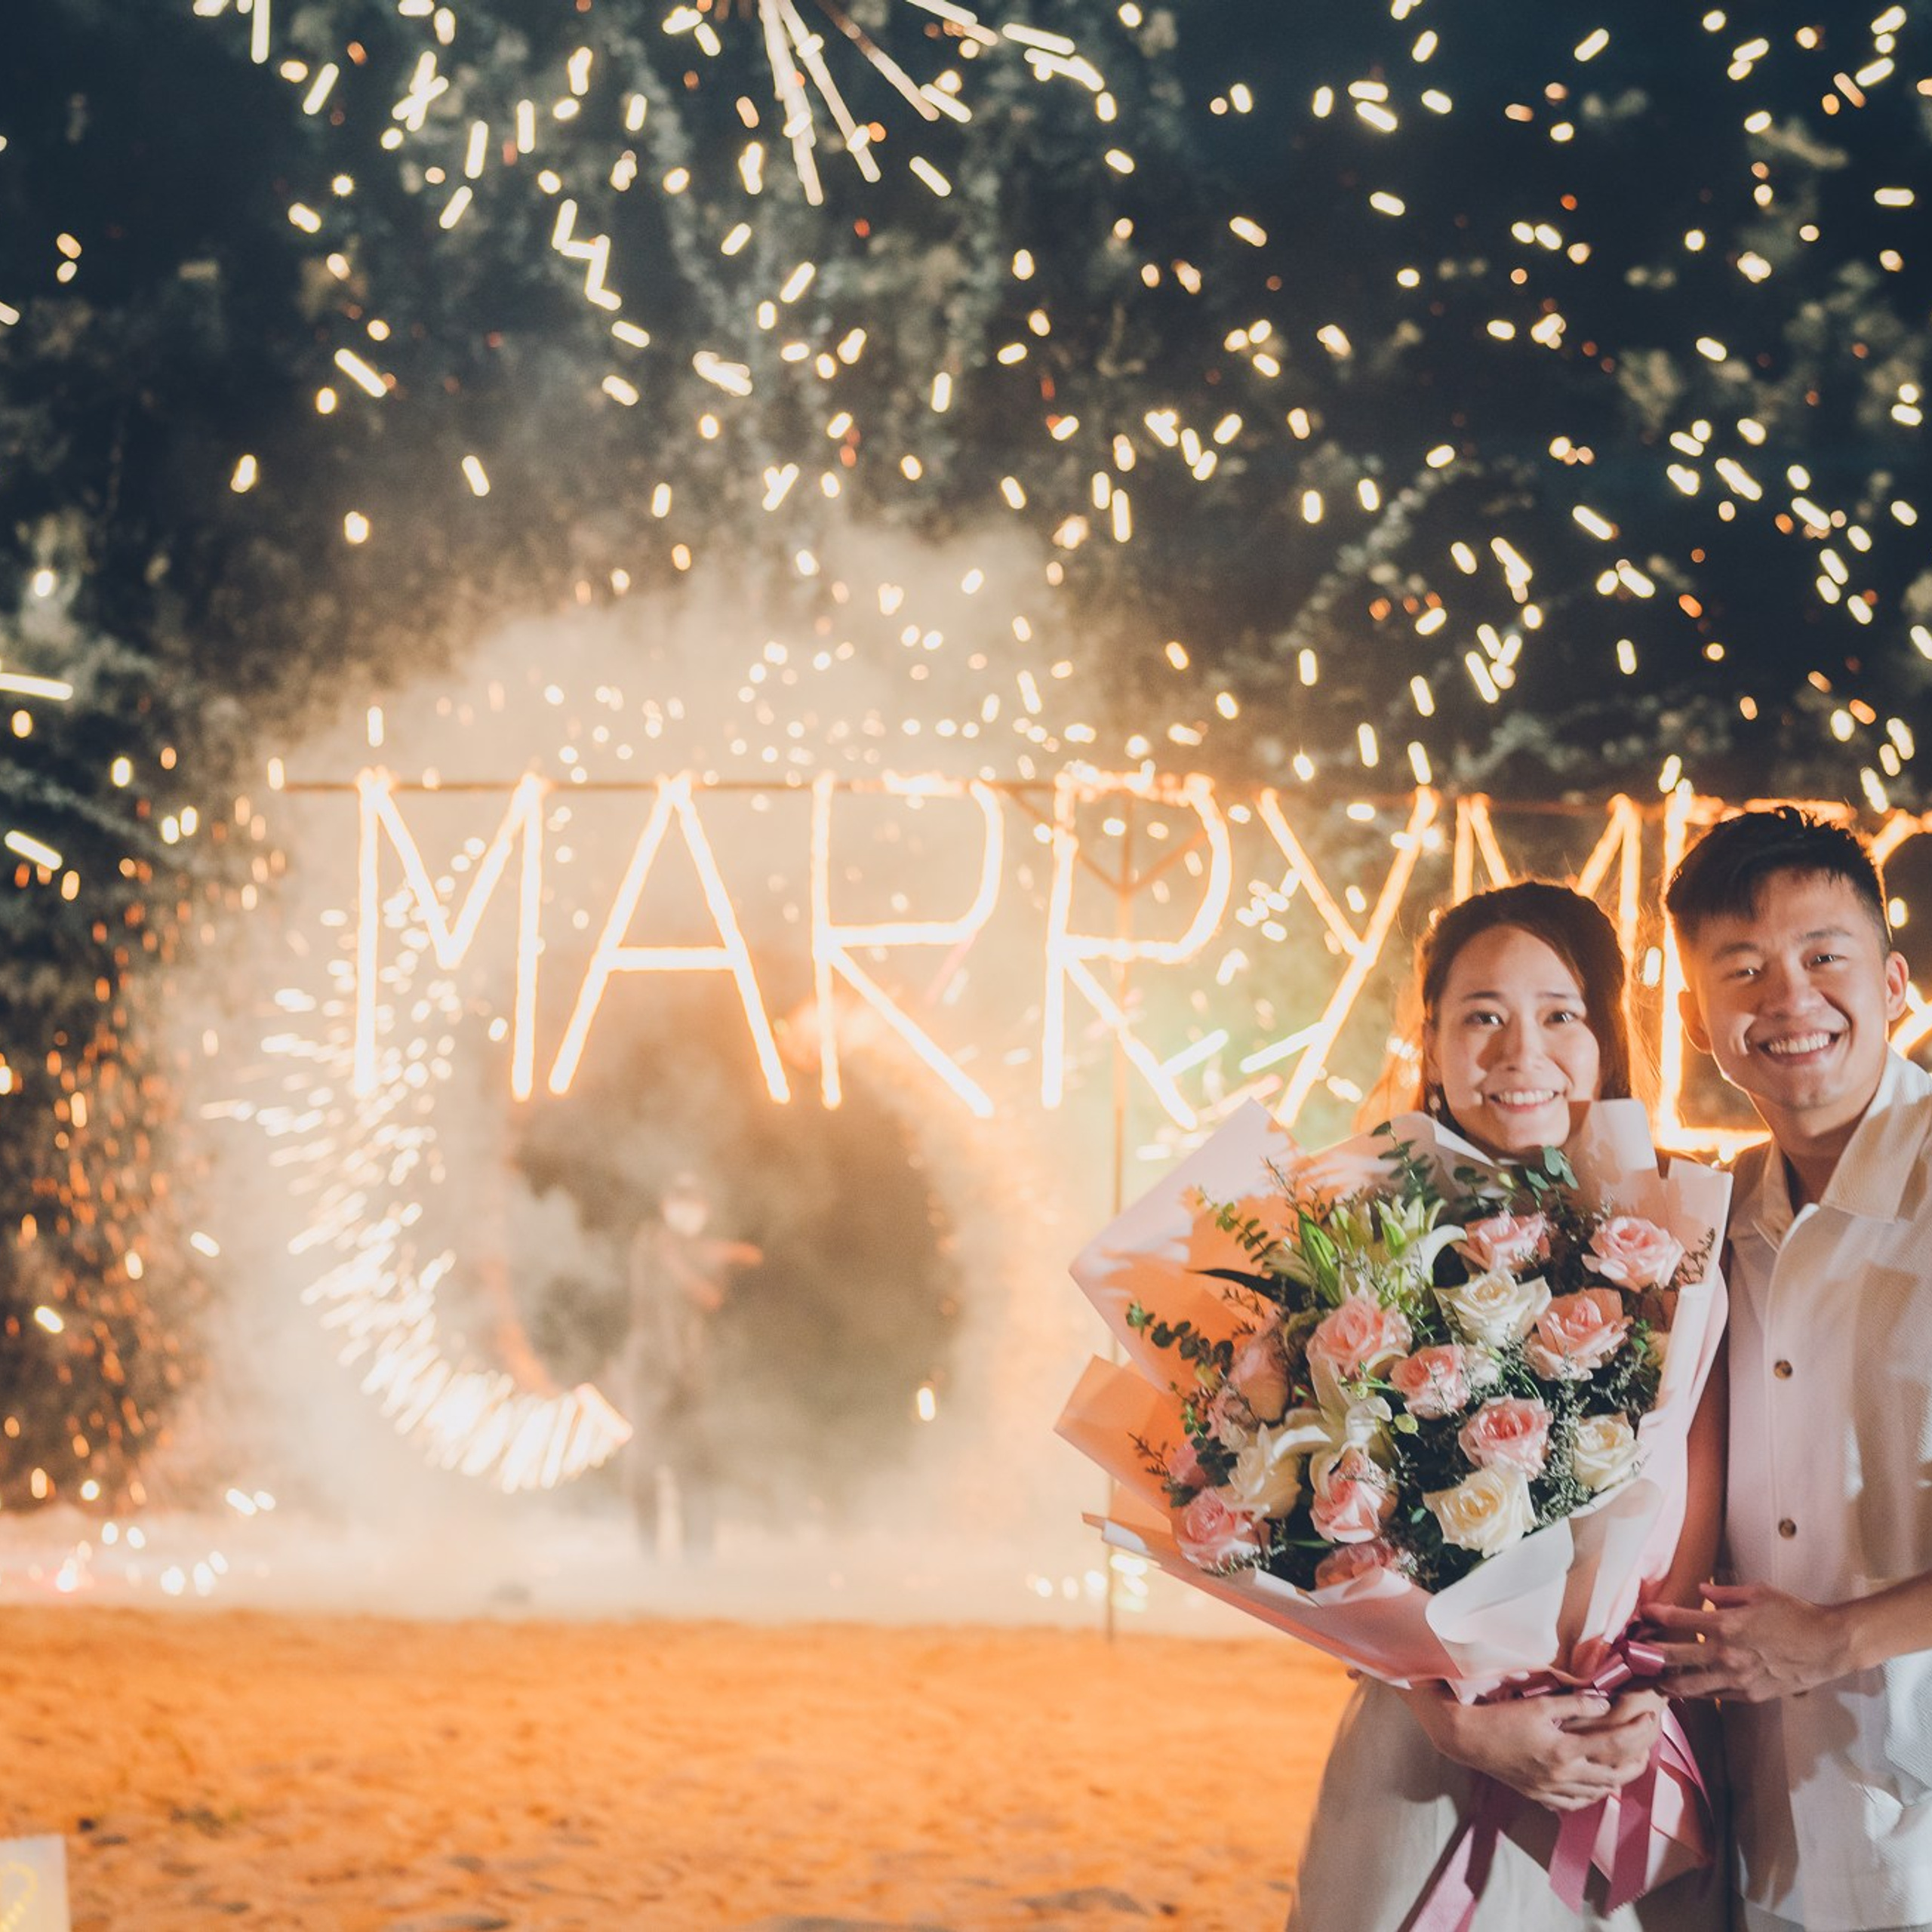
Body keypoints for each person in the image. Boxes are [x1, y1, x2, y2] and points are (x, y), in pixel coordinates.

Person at [1286, 879, 1727, 1931]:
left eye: (1559, 1014)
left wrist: (1646, 1687)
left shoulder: (1682, 1226)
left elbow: (1701, 1485)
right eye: (1481, 1016)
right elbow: (1310, 1519)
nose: (1519, 1052)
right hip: (1420, 1758)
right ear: (1429, 1037)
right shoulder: (1361, 1238)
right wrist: (1445, 1710)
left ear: (1609, 1037)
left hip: (1616, 1744)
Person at [1649, 806, 1932, 1932]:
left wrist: (1836, 1638)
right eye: (1745, 970)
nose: (1791, 999)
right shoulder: (1707, 1232)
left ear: (1896, 982)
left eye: (1825, 958)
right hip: (1771, 1835)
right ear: (1696, 1017)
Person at [623, 1171, 761, 1557]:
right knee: (645, 1463)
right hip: (650, 1369)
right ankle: (647, 1552)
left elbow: (709, 1296)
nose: (688, 1211)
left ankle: (698, 1554)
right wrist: (698, 1256)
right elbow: (671, 1256)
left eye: (695, 1203)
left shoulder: (697, 1255)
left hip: (689, 1371)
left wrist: (720, 1254)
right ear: (667, 1206)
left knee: (695, 1463)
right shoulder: (650, 1241)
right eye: (681, 1202)